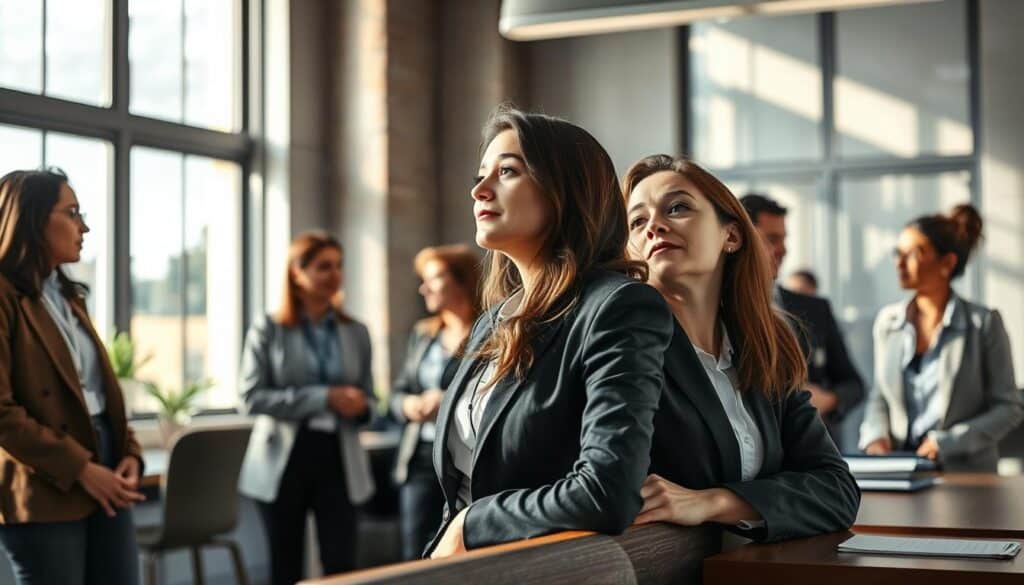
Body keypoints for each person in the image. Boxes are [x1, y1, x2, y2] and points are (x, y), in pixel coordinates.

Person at [426, 105, 673, 558]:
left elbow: (605, 493)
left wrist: (472, 525)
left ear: (566, 189)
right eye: (481, 175)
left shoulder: (617, 306)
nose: (480, 190)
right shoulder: (492, 322)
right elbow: (462, 484)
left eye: (508, 172)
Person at [624, 156, 859, 542]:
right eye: (637, 221)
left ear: (731, 236)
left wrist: (714, 502)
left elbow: (837, 491)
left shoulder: (768, 348)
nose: (654, 226)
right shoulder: (627, 351)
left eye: (677, 207)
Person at [0, 168, 145, 585]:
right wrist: (81, 468)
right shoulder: (4, 297)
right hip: (44, 480)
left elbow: (99, 390)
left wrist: (129, 453)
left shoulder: (68, 295)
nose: (84, 226)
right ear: (33, 219)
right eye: (73, 213)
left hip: (106, 462)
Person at [237, 231, 376, 584]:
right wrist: (323, 398)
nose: (335, 275)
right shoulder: (268, 328)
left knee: (341, 565)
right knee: (285, 567)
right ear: (296, 274)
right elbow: (250, 397)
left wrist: (360, 406)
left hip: (339, 456)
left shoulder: (356, 331)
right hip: (283, 459)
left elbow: (372, 401)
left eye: (339, 266)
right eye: (323, 266)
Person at [859, 205, 1022, 471]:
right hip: (902, 471)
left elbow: (1008, 408)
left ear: (947, 263)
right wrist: (875, 436)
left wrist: (948, 442)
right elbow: (880, 397)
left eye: (912, 254)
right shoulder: (888, 323)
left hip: (966, 475)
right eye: (897, 253)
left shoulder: (984, 324)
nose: (899, 263)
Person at [741, 193, 864, 446]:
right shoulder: (717, 311)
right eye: (772, 239)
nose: (784, 249)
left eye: (784, 239)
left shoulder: (815, 308)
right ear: (739, 239)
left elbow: (854, 385)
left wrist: (826, 399)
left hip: (819, 450)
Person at [389, 244, 480, 560]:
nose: (423, 288)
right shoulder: (423, 334)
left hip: (465, 459)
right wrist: (408, 405)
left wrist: (448, 401)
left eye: (435, 278)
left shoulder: (490, 332)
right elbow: (397, 393)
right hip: (420, 457)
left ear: (462, 280)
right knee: (413, 553)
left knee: (459, 552)